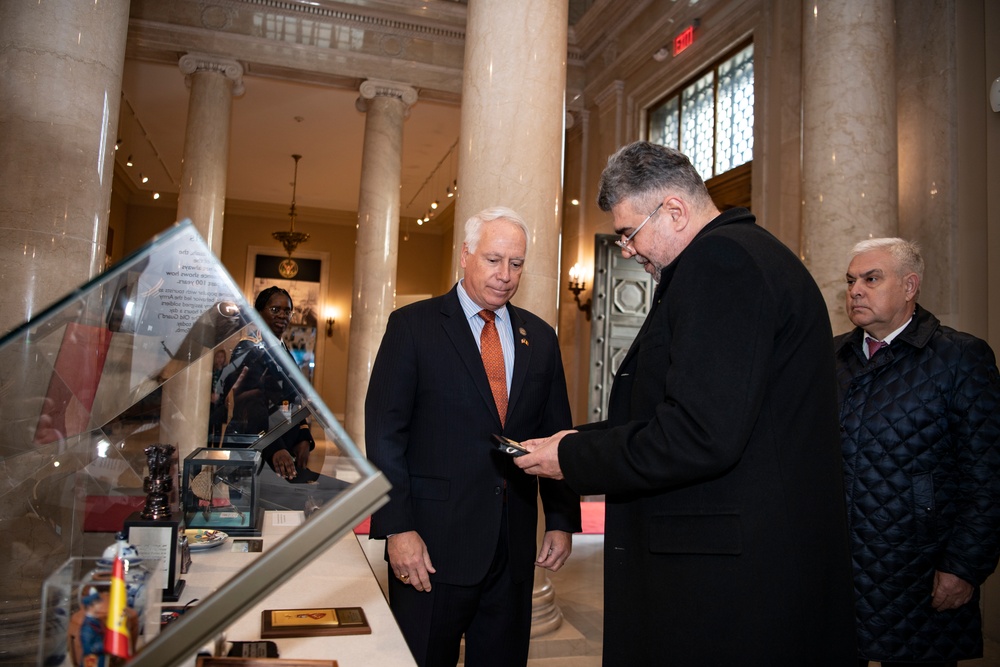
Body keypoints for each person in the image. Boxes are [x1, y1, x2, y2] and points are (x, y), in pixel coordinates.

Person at [514, 141, 857, 665]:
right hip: (738, 566)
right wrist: (578, 440)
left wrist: (572, 458)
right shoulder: (743, 256)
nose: (627, 250)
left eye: (629, 233)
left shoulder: (722, 263)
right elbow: (677, 413)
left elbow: (700, 433)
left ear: (673, 210)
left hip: (727, 584)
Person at [365, 206, 581, 667]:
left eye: (516, 263)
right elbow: (385, 436)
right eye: (493, 259)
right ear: (465, 256)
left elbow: (554, 435)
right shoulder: (413, 326)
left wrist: (561, 520)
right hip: (430, 547)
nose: (505, 275)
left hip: (512, 546)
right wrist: (398, 529)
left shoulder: (539, 338)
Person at [835, 238, 1000, 667]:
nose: (855, 289)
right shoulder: (831, 356)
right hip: (835, 566)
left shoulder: (960, 357)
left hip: (917, 570)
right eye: (852, 280)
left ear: (910, 287)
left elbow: (988, 475)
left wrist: (964, 565)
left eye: (872, 279)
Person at [221, 286, 314, 478]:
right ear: (258, 313)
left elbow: (292, 400)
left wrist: (303, 435)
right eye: (275, 310)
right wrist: (275, 448)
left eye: (287, 311)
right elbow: (250, 403)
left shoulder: (283, 349)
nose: (282, 315)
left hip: (284, 449)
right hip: (254, 449)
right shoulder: (248, 348)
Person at [208, 348, 228, 445]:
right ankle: (207, 445)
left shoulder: (226, 371)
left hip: (221, 403)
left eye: (222, 357)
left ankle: (216, 446)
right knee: (209, 425)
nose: (220, 359)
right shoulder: (210, 371)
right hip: (210, 402)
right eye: (218, 357)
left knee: (218, 427)